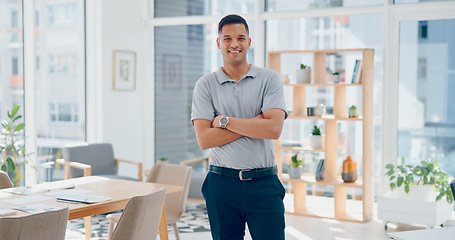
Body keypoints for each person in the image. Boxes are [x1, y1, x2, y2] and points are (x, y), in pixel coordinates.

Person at [191, 14, 287, 240]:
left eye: (241, 38)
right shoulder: (205, 85)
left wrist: (224, 121)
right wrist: (256, 122)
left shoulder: (269, 79)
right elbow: (205, 140)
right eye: (227, 38)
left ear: (249, 42)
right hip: (221, 186)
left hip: (264, 184)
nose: (234, 44)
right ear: (218, 43)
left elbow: (274, 129)